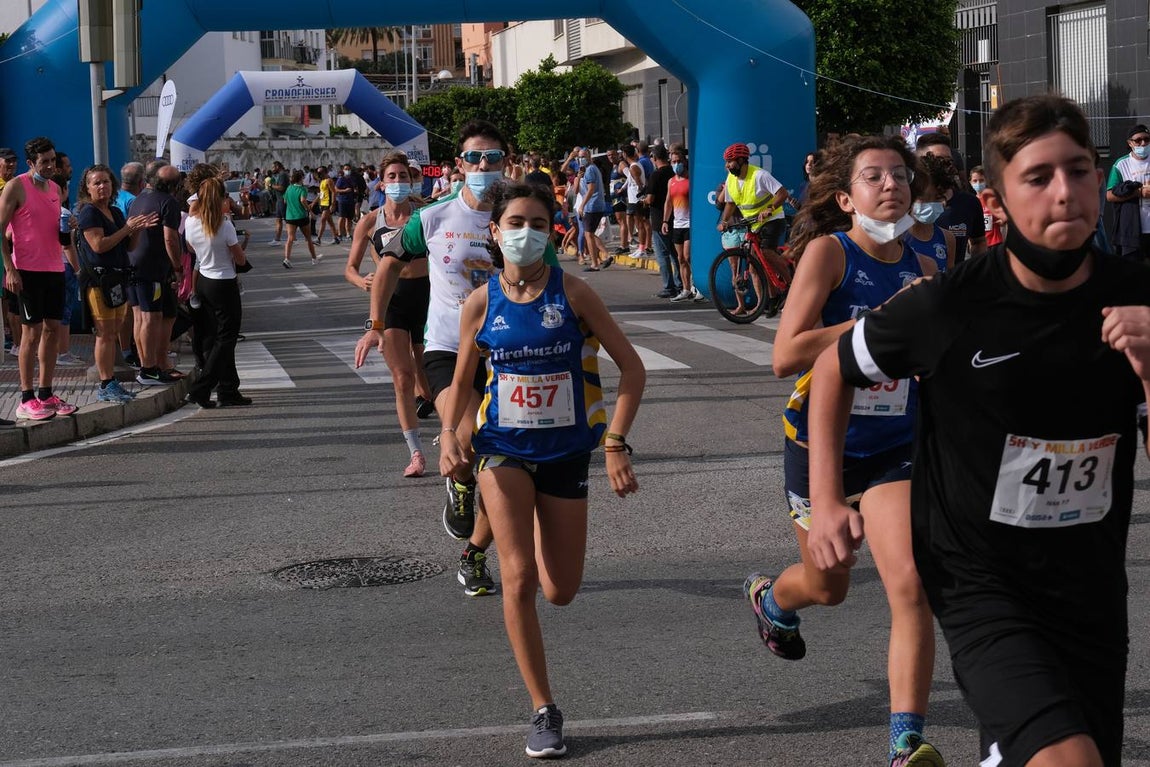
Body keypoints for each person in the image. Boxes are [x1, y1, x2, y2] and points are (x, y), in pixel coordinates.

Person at [810, 94, 1150, 767]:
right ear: (993, 197)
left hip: (1091, 581)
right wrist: (825, 501)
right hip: (980, 579)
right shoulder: (949, 305)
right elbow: (831, 370)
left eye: (1080, 171)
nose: (1066, 192)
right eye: (1038, 176)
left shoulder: (1136, 295)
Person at [744, 134, 942, 767]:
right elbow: (785, 354)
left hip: (894, 448)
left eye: (900, 177)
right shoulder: (831, 254)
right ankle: (775, 599)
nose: (891, 186)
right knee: (830, 588)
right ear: (845, 197)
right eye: (874, 177)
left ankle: (905, 741)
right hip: (821, 443)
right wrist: (877, 321)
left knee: (910, 583)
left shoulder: (928, 265)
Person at [438, 182, 645, 759]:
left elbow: (632, 371)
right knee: (520, 578)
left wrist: (616, 444)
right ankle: (543, 709)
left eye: (536, 221)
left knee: (561, 591)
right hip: (500, 448)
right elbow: (461, 385)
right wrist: (447, 435)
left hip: (565, 453)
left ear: (551, 231)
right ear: (495, 232)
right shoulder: (480, 303)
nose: (524, 231)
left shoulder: (574, 294)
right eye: (514, 221)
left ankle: (523, 521)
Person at [354, 120, 560, 597]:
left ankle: (473, 552)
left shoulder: (521, 219)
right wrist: (376, 325)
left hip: (510, 352)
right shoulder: (431, 218)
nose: (484, 167)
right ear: (459, 165)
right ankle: (461, 482)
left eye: (494, 159)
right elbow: (387, 265)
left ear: (507, 164)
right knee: (469, 441)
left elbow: (550, 283)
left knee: (507, 463)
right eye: (475, 159)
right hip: (448, 348)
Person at [344, 152, 434, 477]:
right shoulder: (370, 222)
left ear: (411, 182)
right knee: (402, 378)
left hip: (427, 296)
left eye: (403, 177)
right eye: (392, 177)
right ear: (381, 183)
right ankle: (416, 454)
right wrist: (361, 280)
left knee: (428, 372)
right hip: (392, 303)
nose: (398, 182)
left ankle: (442, 415)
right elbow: (350, 269)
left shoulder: (424, 215)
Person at [0, 136, 80, 420]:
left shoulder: (57, 189)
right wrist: (10, 269)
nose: (49, 166)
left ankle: (46, 393)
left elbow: (56, 229)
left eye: (52, 161)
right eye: (43, 162)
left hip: (55, 269)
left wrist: (69, 225)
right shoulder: (15, 186)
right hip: (28, 271)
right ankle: (25, 398)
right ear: (31, 163)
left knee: (52, 332)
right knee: (30, 335)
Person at [75, 164, 155, 403]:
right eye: (96, 183)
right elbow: (99, 245)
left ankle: (111, 381)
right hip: (99, 281)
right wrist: (127, 229)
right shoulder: (89, 213)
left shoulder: (116, 212)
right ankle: (105, 382)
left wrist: (137, 230)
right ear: (87, 188)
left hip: (117, 278)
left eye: (106, 182)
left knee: (115, 330)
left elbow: (128, 246)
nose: (102, 186)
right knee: (105, 333)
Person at [183, 177, 251, 408]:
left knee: (216, 337)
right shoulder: (224, 225)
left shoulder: (192, 222)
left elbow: (191, 248)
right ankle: (202, 388)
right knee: (226, 338)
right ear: (222, 199)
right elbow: (239, 258)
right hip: (223, 282)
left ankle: (228, 389)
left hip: (203, 279)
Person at [127, 161, 184, 386]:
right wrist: (178, 268)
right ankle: (149, 370)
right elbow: (170, 238)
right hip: (152, 269)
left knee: (140, 316)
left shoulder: (139, 198)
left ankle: (146, 365)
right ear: (174, 186)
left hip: (133, 264)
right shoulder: (168, 202)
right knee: (152, 317)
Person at [718, 142, 792, 308]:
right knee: (755, 265)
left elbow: (783, 193)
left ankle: (791, 285)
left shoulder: (760, 175)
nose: (727, 165)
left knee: (765, 252)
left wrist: (770, 208)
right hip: (753, 224)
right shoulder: (731, 179)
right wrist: (724, 222)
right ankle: (773, 297)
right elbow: (730, 204)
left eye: (730, 161)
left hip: (772, 219)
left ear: (742, 160)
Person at [914, 134, 986, 263]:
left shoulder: (968, 203)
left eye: (949, 160)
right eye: (937, 159)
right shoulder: (904, 203)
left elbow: (979, 242)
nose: (944, 165)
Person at [904, 153, 958, 272]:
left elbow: (948, 282)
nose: (932, 203)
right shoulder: (896, 238)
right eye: (924, 198)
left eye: (938, 198)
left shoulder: (947, 238)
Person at [1105, 123, 1150, 262]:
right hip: (1132, 229)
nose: (1143, 143)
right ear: (1130, 143)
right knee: (1134, 272)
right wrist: (1139, 193)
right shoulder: (1121, 164)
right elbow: (1110, 195)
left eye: (1147, 139)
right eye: (1138, 140)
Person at [661, 149, 690, 300]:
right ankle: (686, 289)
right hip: (677, 224)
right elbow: (668, 202)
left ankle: (696, 287)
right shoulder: (671, 181)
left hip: (690, 224)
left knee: (688, 256)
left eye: (679, 161)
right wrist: (665, 221)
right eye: (673, 161)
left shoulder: (691, 180)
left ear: (684, 162)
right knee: (681, 258)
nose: (676, 164)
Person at [574, 147, 609, 271]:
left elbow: (591, 189)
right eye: (579, 157)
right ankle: (603, 256)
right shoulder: (584, 171)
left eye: (583, 156)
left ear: (589, 157)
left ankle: (595, 263)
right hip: (592, 205)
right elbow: (576, 190)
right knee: (590, 233)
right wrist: (578, 177)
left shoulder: (590, 170)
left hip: (592, 205)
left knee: (588, 233)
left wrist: (582, 205)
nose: (581, 159)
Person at [281, 169, 322, 269]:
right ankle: (314, 258)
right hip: (301, 216)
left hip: (290, 216)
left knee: (290, 238)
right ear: (300, 179)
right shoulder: (303, 189)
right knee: (308, 238)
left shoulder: (289, 188)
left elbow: (285, 201)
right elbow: (303, 200)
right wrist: (310, 212)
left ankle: (287, 259)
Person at [969, 165, 1003, 248]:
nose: (978, 183)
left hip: (995, 242)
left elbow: (1006, 215)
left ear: (986, 181)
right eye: (975, 181)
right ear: (970, 182)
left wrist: (1002, 220)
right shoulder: (971, 202)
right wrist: (969, 242)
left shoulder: (994, 199)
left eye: (981, 180)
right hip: (978, 244)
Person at [266, 161, 289, 245]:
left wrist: (271, 186)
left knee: (287, 220)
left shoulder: (282, 174)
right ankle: (277, 239)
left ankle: (292, 239)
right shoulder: (279, 175)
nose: (272, 169)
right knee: (278, 219)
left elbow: (282, 188)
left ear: (277, 166)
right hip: (279, 200)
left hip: (283, 199)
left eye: (273, 167)